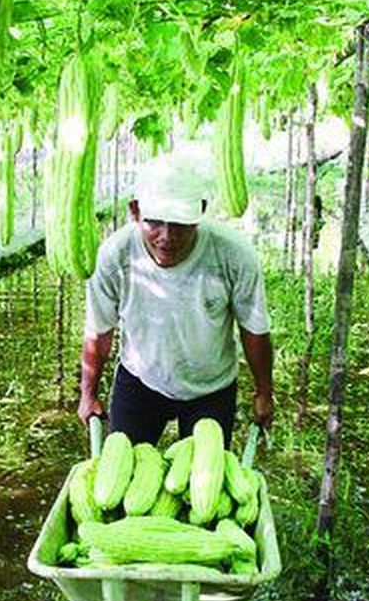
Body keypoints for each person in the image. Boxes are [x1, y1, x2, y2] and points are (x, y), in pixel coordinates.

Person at [77, 153, 274, 447]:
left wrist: (264, 393)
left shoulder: (234, 256)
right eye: (155, 222)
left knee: (203, 487)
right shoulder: (114, 255)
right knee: (124, 479)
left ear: (201, 211)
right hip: (140, 380)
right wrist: (88, 393)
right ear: (135, 211)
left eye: (180, 223)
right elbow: (99, 331)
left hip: (211, 389)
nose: (167, 236)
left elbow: (254, 330)